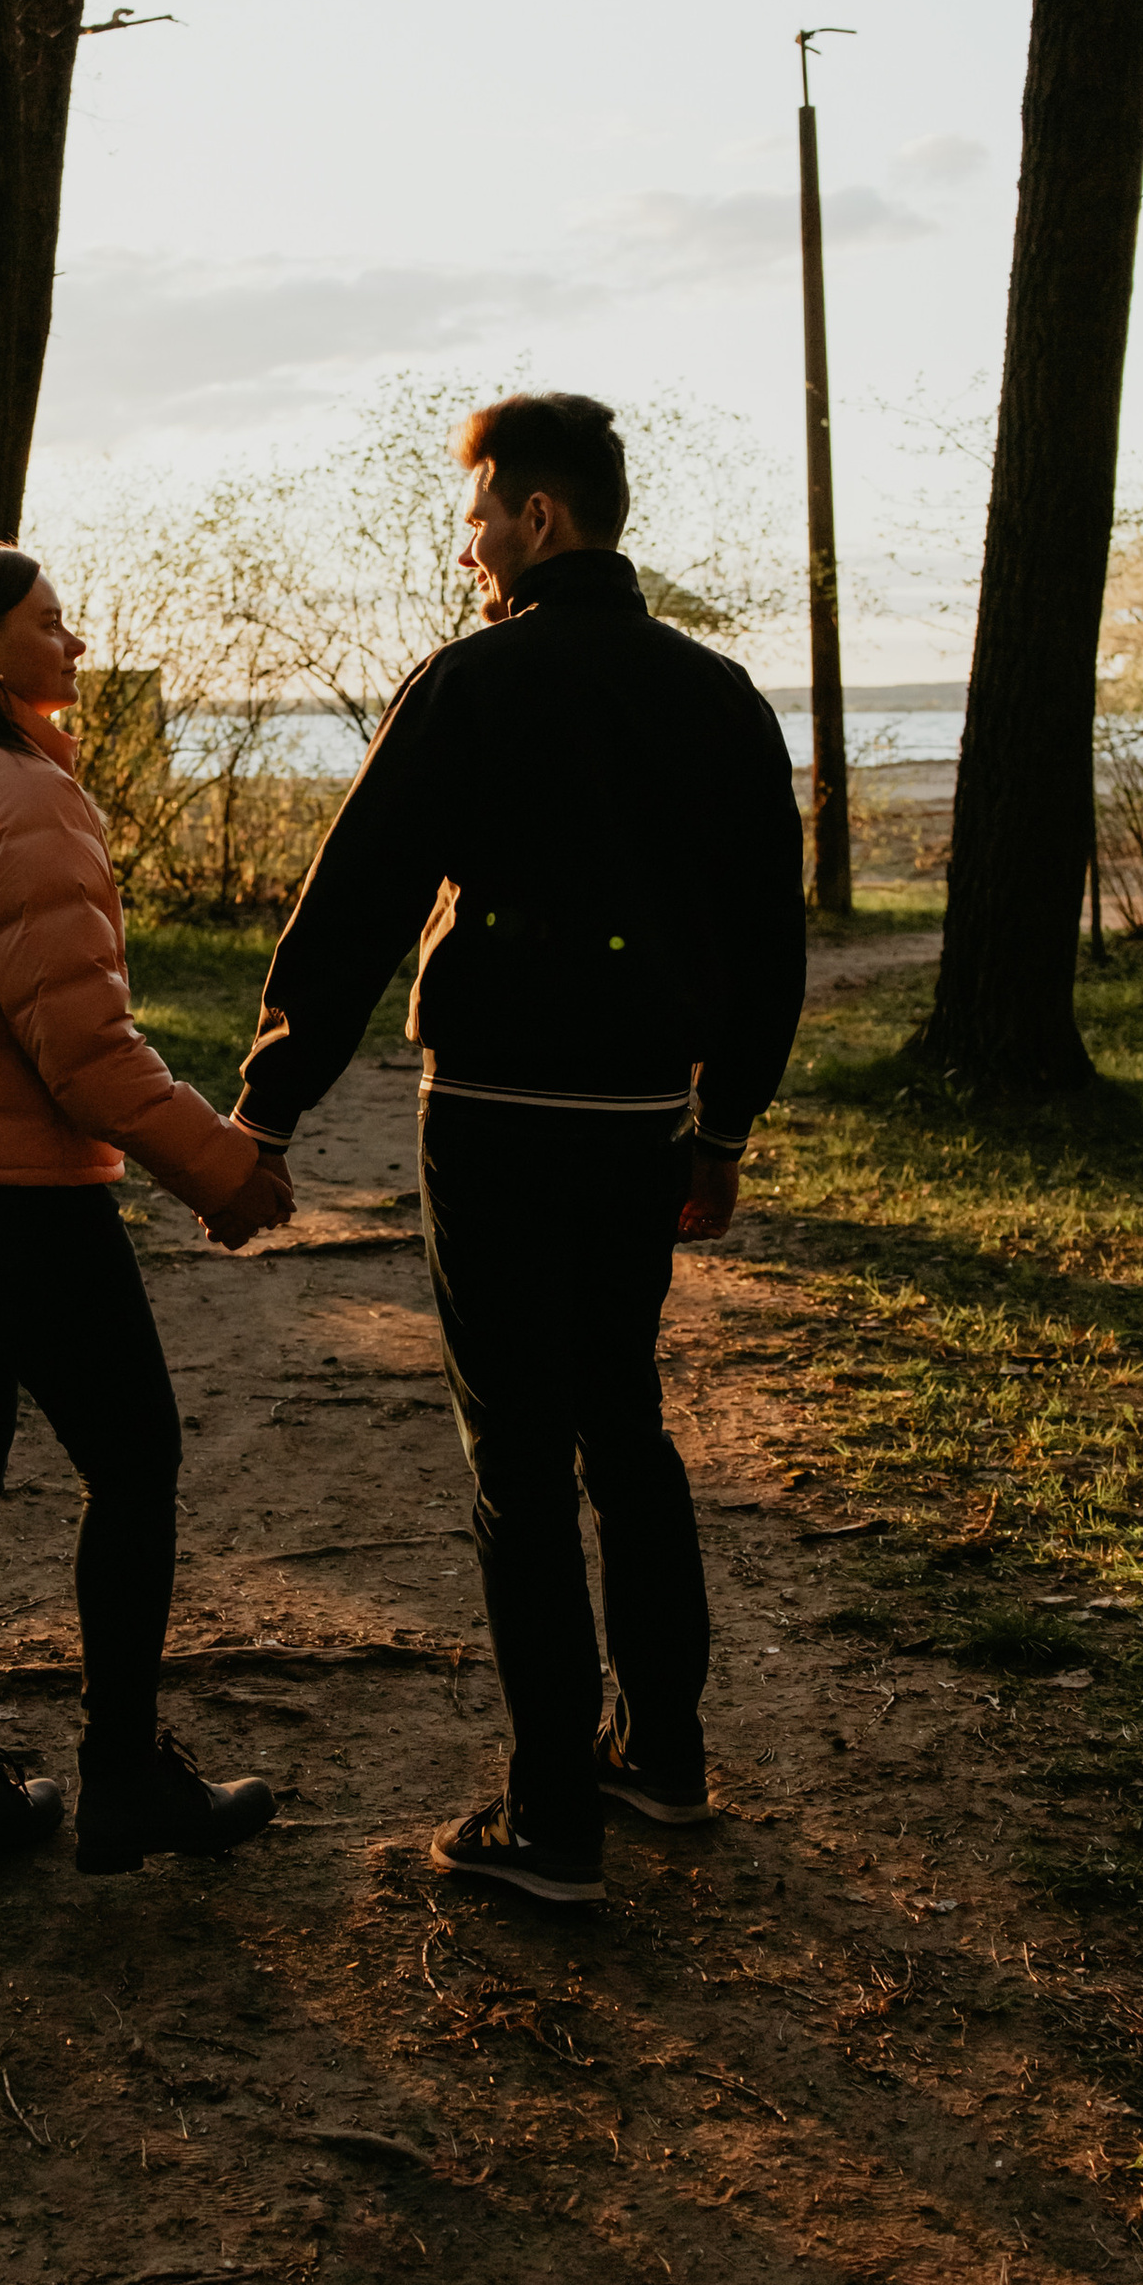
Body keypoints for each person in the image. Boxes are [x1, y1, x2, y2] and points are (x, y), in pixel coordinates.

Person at [228, 393, 806, 1908]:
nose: (469, 544)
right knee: (625, 1421)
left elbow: (356, 902)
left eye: (480, 516)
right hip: (638, 1120)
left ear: (539, 519)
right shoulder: (723, 696)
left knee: (518, 1464)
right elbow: (768, 938)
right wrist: (724, 1122)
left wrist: (271, 1106)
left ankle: (551, 1821)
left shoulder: (475, 684)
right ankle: (662, 1756)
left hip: (490, 1115)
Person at [0, 539, 293, 1888]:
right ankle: (125, 1776)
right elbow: (82, 1048)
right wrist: (223, 1166)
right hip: (5, 1199)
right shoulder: (19, 797)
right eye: (51, 623)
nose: (74, 645)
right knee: (134, 1458)